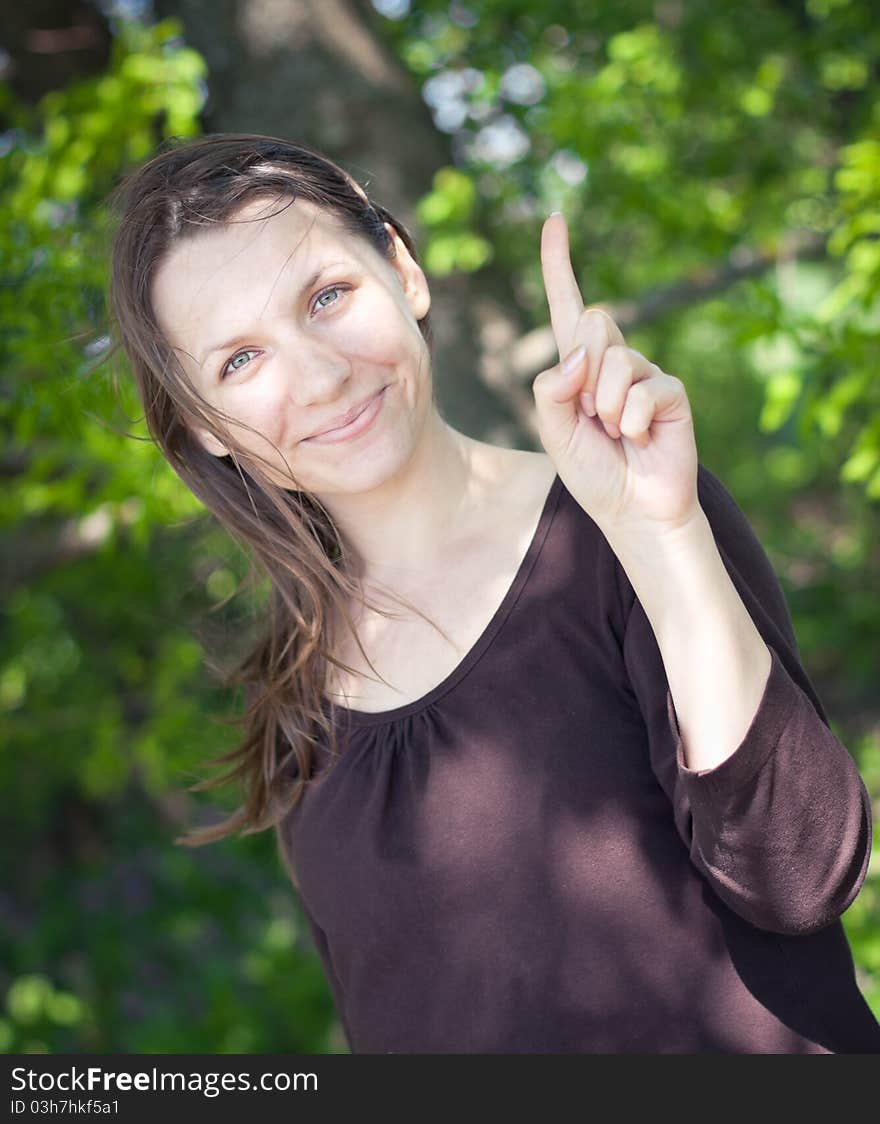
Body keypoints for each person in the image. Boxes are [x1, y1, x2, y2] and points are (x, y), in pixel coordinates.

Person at [107, 133, 880, 1054]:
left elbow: (799, 875)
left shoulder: (623, 526)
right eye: (240, 360)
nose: (318, 375)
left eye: (327, 296)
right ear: (205, 427)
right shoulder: (295, 694)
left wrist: (662, 537)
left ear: (403, 270)